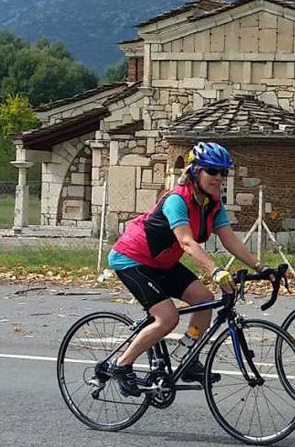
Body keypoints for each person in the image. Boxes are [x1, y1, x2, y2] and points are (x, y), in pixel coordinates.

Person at [105, 141, 272, 396]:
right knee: (167, 318)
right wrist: (216, 270)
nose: (218, 178)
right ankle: (122, 365)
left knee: (204, 299)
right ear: (195, 171)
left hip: (162, 262)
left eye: (223, 172)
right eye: (212, 171)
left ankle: (187, 357)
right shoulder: (177, 200)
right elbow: (186, 241)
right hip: (132, 259)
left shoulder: (213, 204)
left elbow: (230, 240)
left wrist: (261, 267)